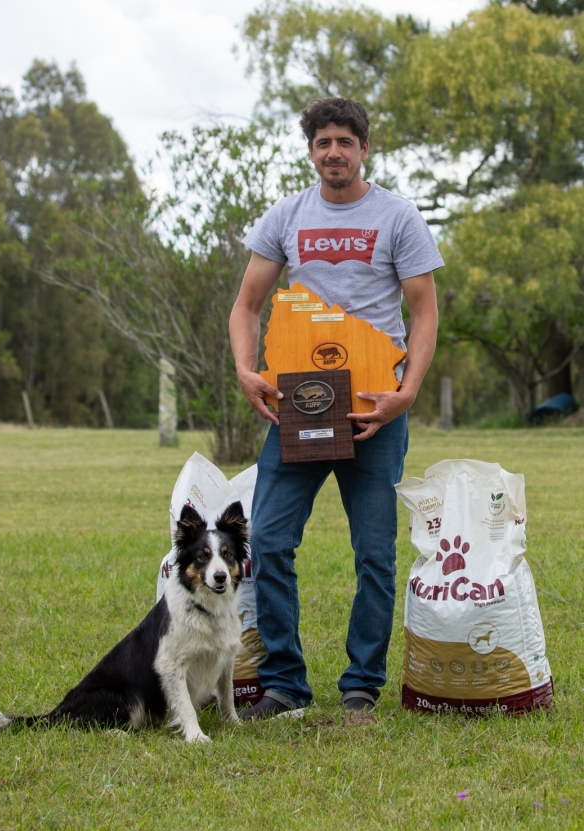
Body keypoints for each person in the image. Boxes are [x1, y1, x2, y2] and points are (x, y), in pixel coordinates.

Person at [229, 97, 443, 718]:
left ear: (364, 149)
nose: (334, 153)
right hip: (298, 408)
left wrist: (407, 392)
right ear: (311, 151)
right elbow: (246, 304)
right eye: (323, 142)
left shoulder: (398, 217)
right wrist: (247, 371)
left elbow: (425, 313)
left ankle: (360, 686)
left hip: (375, 407)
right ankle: (285, 684)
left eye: (345, 142)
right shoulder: (286, 217)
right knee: (267, 540)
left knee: (374, 553)